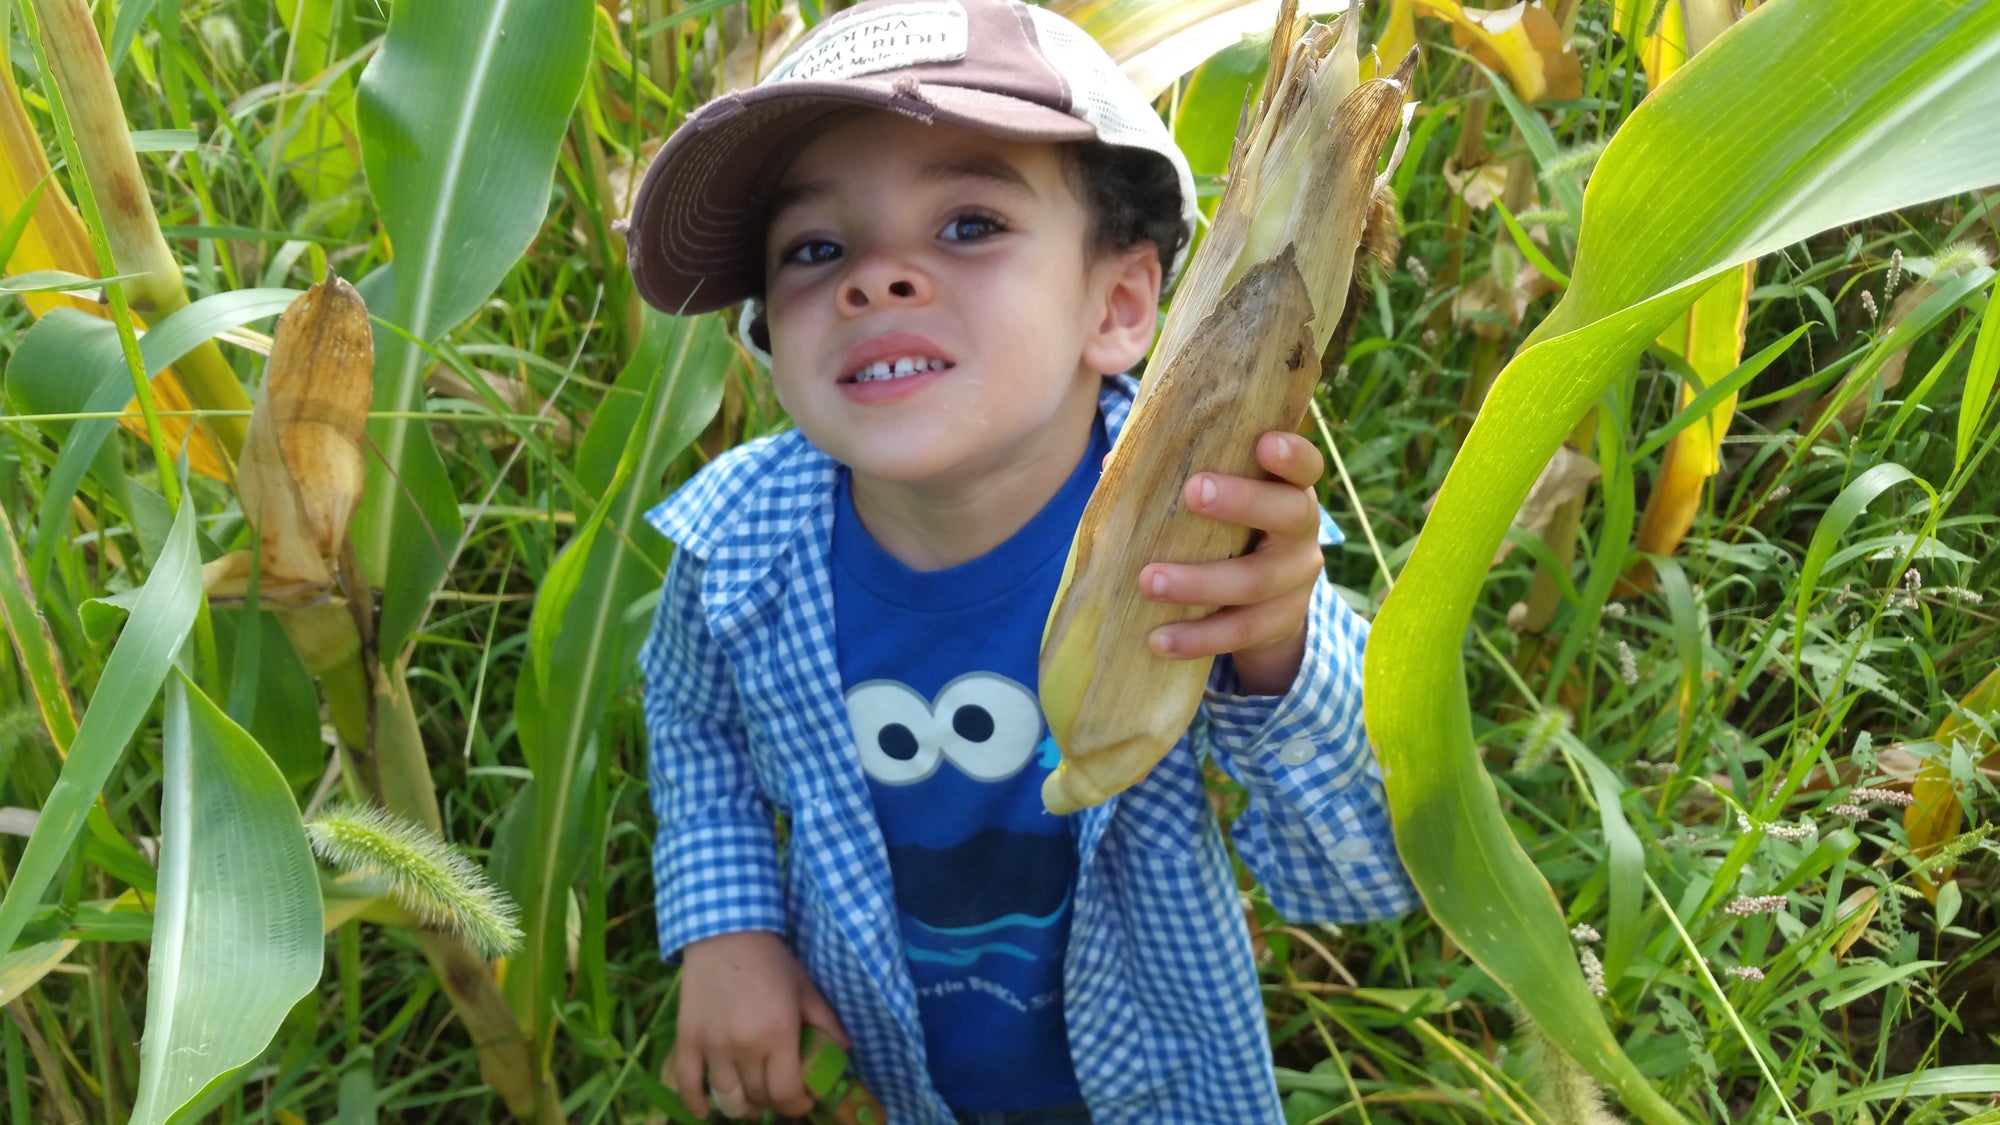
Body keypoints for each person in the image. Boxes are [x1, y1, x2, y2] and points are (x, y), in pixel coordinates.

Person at [624, 1, 1416, 1120]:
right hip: (881, 1069)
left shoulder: (1212, 536)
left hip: (1158, 1083)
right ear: (764, 337)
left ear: (1120, 303)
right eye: (815, 249)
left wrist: (1276, 652)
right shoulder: (733, 552)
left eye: (967, 224)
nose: (876, 279)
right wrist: (726, 925)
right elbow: (693, 725)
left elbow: (1360, 874)